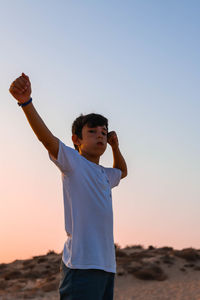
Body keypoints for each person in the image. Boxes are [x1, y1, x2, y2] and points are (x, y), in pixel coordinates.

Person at [9, 73, 128, 300]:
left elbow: (122, 171)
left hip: (107, 267)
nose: (100, 136)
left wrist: (115, 146)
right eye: (92, 132)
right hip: (82, 265)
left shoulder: (105, 174)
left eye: (103, 132)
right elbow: (47, 139)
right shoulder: (73, 162)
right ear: (76, 140)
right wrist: (26, 103)